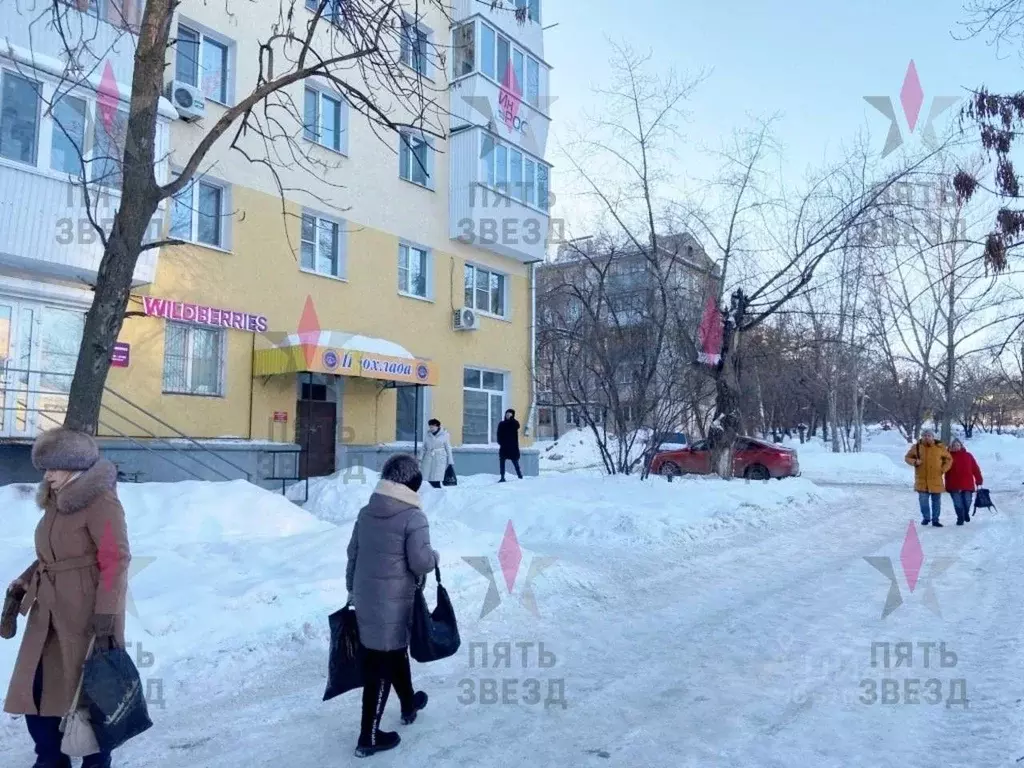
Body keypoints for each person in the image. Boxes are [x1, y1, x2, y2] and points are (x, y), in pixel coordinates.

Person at [4, 428, 131, 768]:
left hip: (84, 618)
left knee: (88, 704)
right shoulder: (57, 503)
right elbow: (52, 555)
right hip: (47, 614)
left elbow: (115, 558)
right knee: (37, 694)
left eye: (53, 468)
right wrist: (23, 583)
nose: (46, 475)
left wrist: (106, 616)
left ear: (74, 466)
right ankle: (50, 761)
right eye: (44, 468)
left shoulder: (100, 502)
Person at [345, 454, 439, 758]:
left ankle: (409, 703)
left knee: (392, 651)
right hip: (395, 600)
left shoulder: (366, 511)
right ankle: (368, 737)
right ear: (413, 483)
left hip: (366, 595)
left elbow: (353, 554)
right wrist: (436, 557)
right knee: (382, 662)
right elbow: (421, 562)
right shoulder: (414, 517)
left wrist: (352, 590)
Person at [904, 429, 953, 527]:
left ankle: (935, 520)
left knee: (936, 502)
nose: (927, 437)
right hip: (922, 480)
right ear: (922, 437)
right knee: (923, 501)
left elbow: (949, 459)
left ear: (932, 437)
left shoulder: (939, 447)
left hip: (936, 479)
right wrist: (914, 462)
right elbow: (907, 457)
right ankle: (926, 518)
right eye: (925, 435)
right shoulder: (916, 447)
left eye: (929, 435)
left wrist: (943, 469)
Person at [945, 438, 984, 526]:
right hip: (953, 484)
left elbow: (975, 468)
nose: (956, 447)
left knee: (968, 501)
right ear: (951, 447)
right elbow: (942, 469)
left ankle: (965, 513)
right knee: (957, 503)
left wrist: (979, 479)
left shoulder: (968, 455)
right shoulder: (947, 457)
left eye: (958, 445)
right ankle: (960, 518)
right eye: (954, 446)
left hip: (967, 484)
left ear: (961, 446)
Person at [419, 419, 454, 489]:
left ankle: (438, 493)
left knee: (436, 478)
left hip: (440, 458)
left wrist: (450, 460)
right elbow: (423, 447)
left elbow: (448, 448)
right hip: (428, 457)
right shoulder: (427, 435)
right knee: (428, 477)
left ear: (437, 426)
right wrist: (420, 458)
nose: (431, 428)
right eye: (430, 426)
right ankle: (433, 494)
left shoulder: (445, 435)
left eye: (432, 426)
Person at [496, 408, 523, 482]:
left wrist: (511, 419)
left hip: (512, 447)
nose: (507, 415)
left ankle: (520, 476)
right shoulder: (501, 424)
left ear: (512, 415)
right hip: (504, 447)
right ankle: (502, 477)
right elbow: (498, 433)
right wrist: (500, 442)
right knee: (502, 462)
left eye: (509, 414)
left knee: (515, 462)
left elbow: (517, 425)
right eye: (506, 414)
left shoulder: (514, 423)